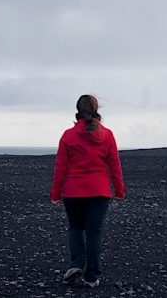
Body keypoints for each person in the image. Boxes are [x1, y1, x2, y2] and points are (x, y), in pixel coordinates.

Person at [50, 95, 126, 288]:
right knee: (94, 233)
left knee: (76, 228)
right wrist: (119, 190)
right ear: (96, 110)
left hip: (73, 191)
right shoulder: (107, 135)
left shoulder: (68, 135)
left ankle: (76, 264)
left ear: (77, 111)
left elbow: (60, 168)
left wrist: (55, 194)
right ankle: (91, 276)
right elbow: (114, 166)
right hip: (99, 192)